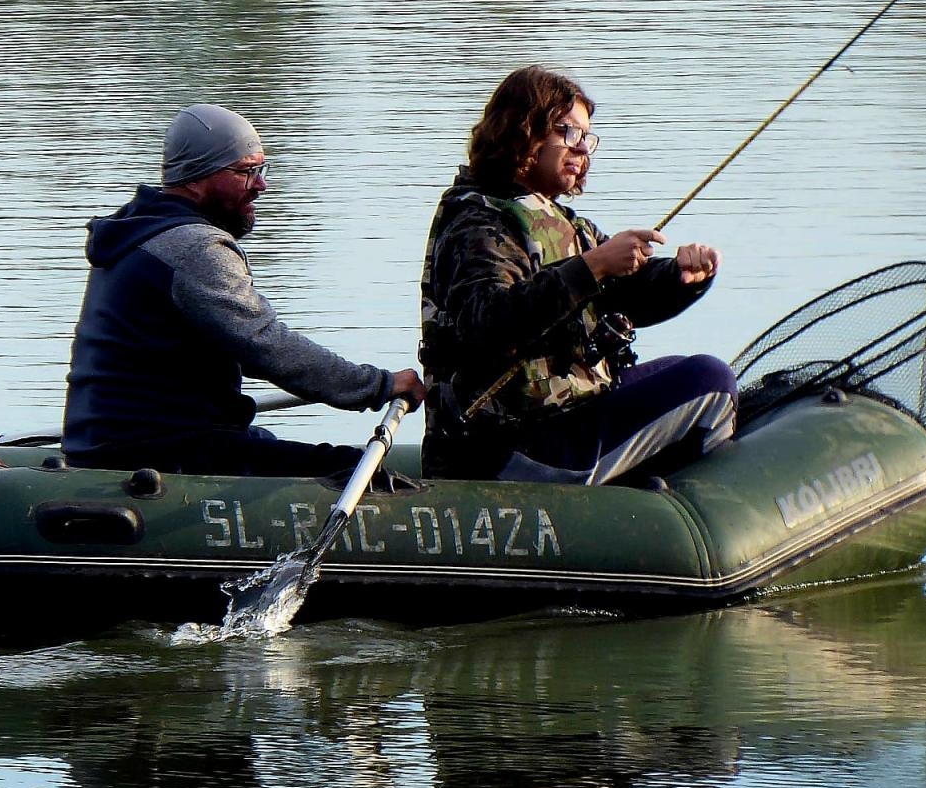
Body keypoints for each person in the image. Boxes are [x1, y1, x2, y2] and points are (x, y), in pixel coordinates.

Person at [63, 104, 424, 475]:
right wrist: (379, 385)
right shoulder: (194, 247)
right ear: (196, 177)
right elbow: (266, 345)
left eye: (261, 170)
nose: (261, 185)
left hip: (109, 440)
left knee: (262, 440)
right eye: (247, 172)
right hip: (154, 452)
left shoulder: (137, 232)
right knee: (357, 472)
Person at [419, 66, 736, 484]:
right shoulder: (478, 224)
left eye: (587, 138)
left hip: (566, 417)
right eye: (569, 133)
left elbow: (627, 296)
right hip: (509, 445)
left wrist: (680, 275)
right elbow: (487, 322)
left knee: (680, 368)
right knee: (709, 380)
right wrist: (596, 265)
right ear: (523, 131)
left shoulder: (563, 223)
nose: (582, 148)